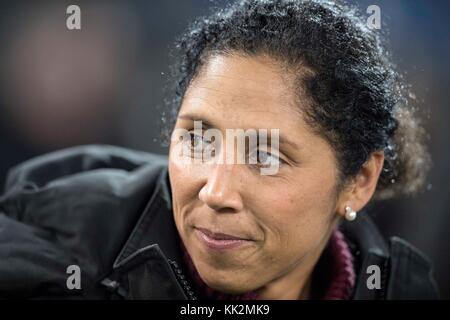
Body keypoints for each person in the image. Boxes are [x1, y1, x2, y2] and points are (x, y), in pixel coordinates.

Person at [0, 0, 438, 299]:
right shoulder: (54, 258)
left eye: (265, 156)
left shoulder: (406, 289)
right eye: (198, 139)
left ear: (358, 182)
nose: (215, 193)